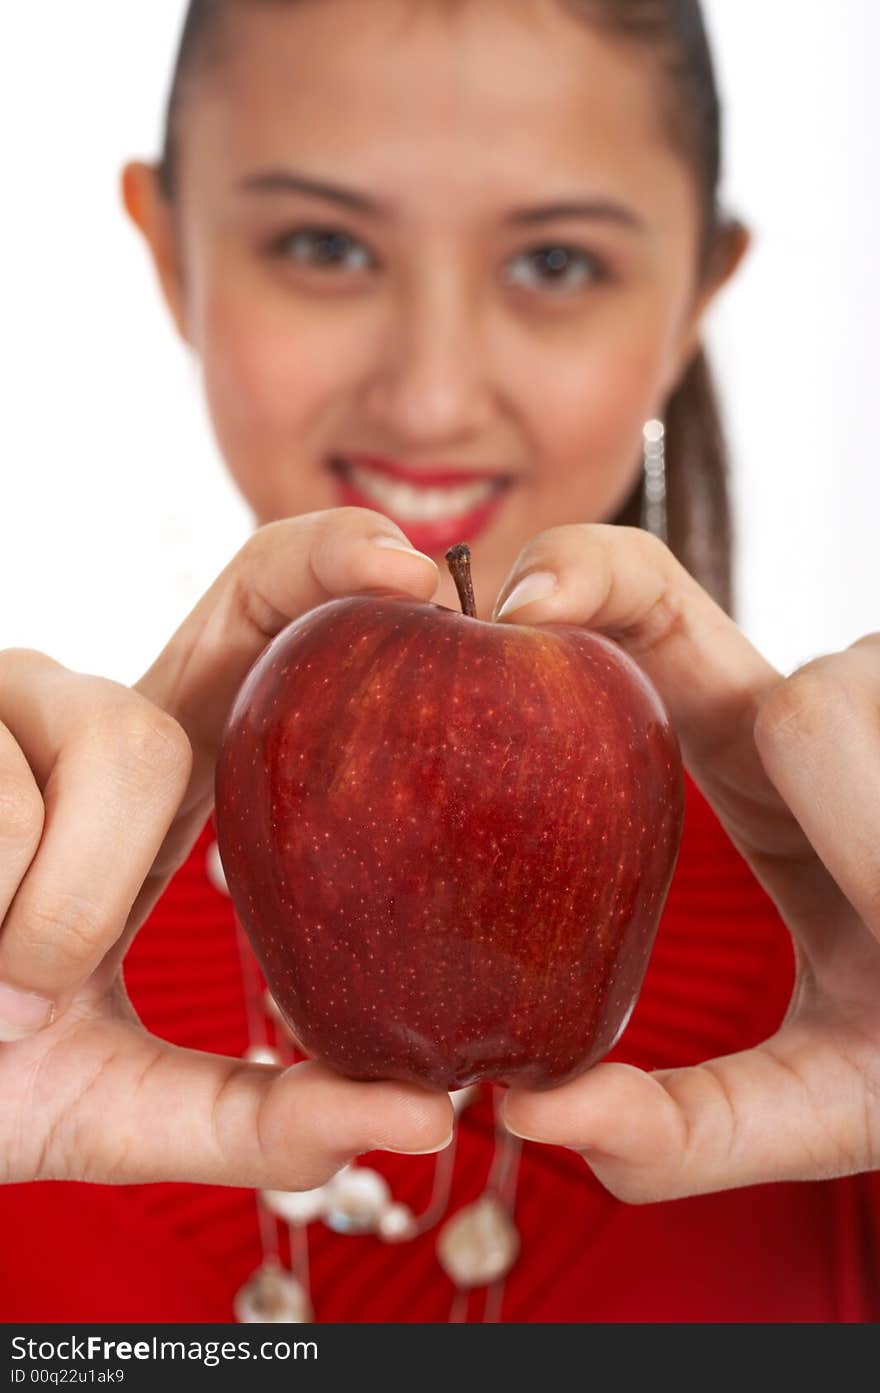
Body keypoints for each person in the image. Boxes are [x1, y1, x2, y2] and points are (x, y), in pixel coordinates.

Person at [2, 0, 879, 1322]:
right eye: (323, 243)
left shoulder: (851, 957)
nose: (429, 394)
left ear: (700, 292)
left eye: (557, 264)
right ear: (167, 251)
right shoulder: (30, 962)